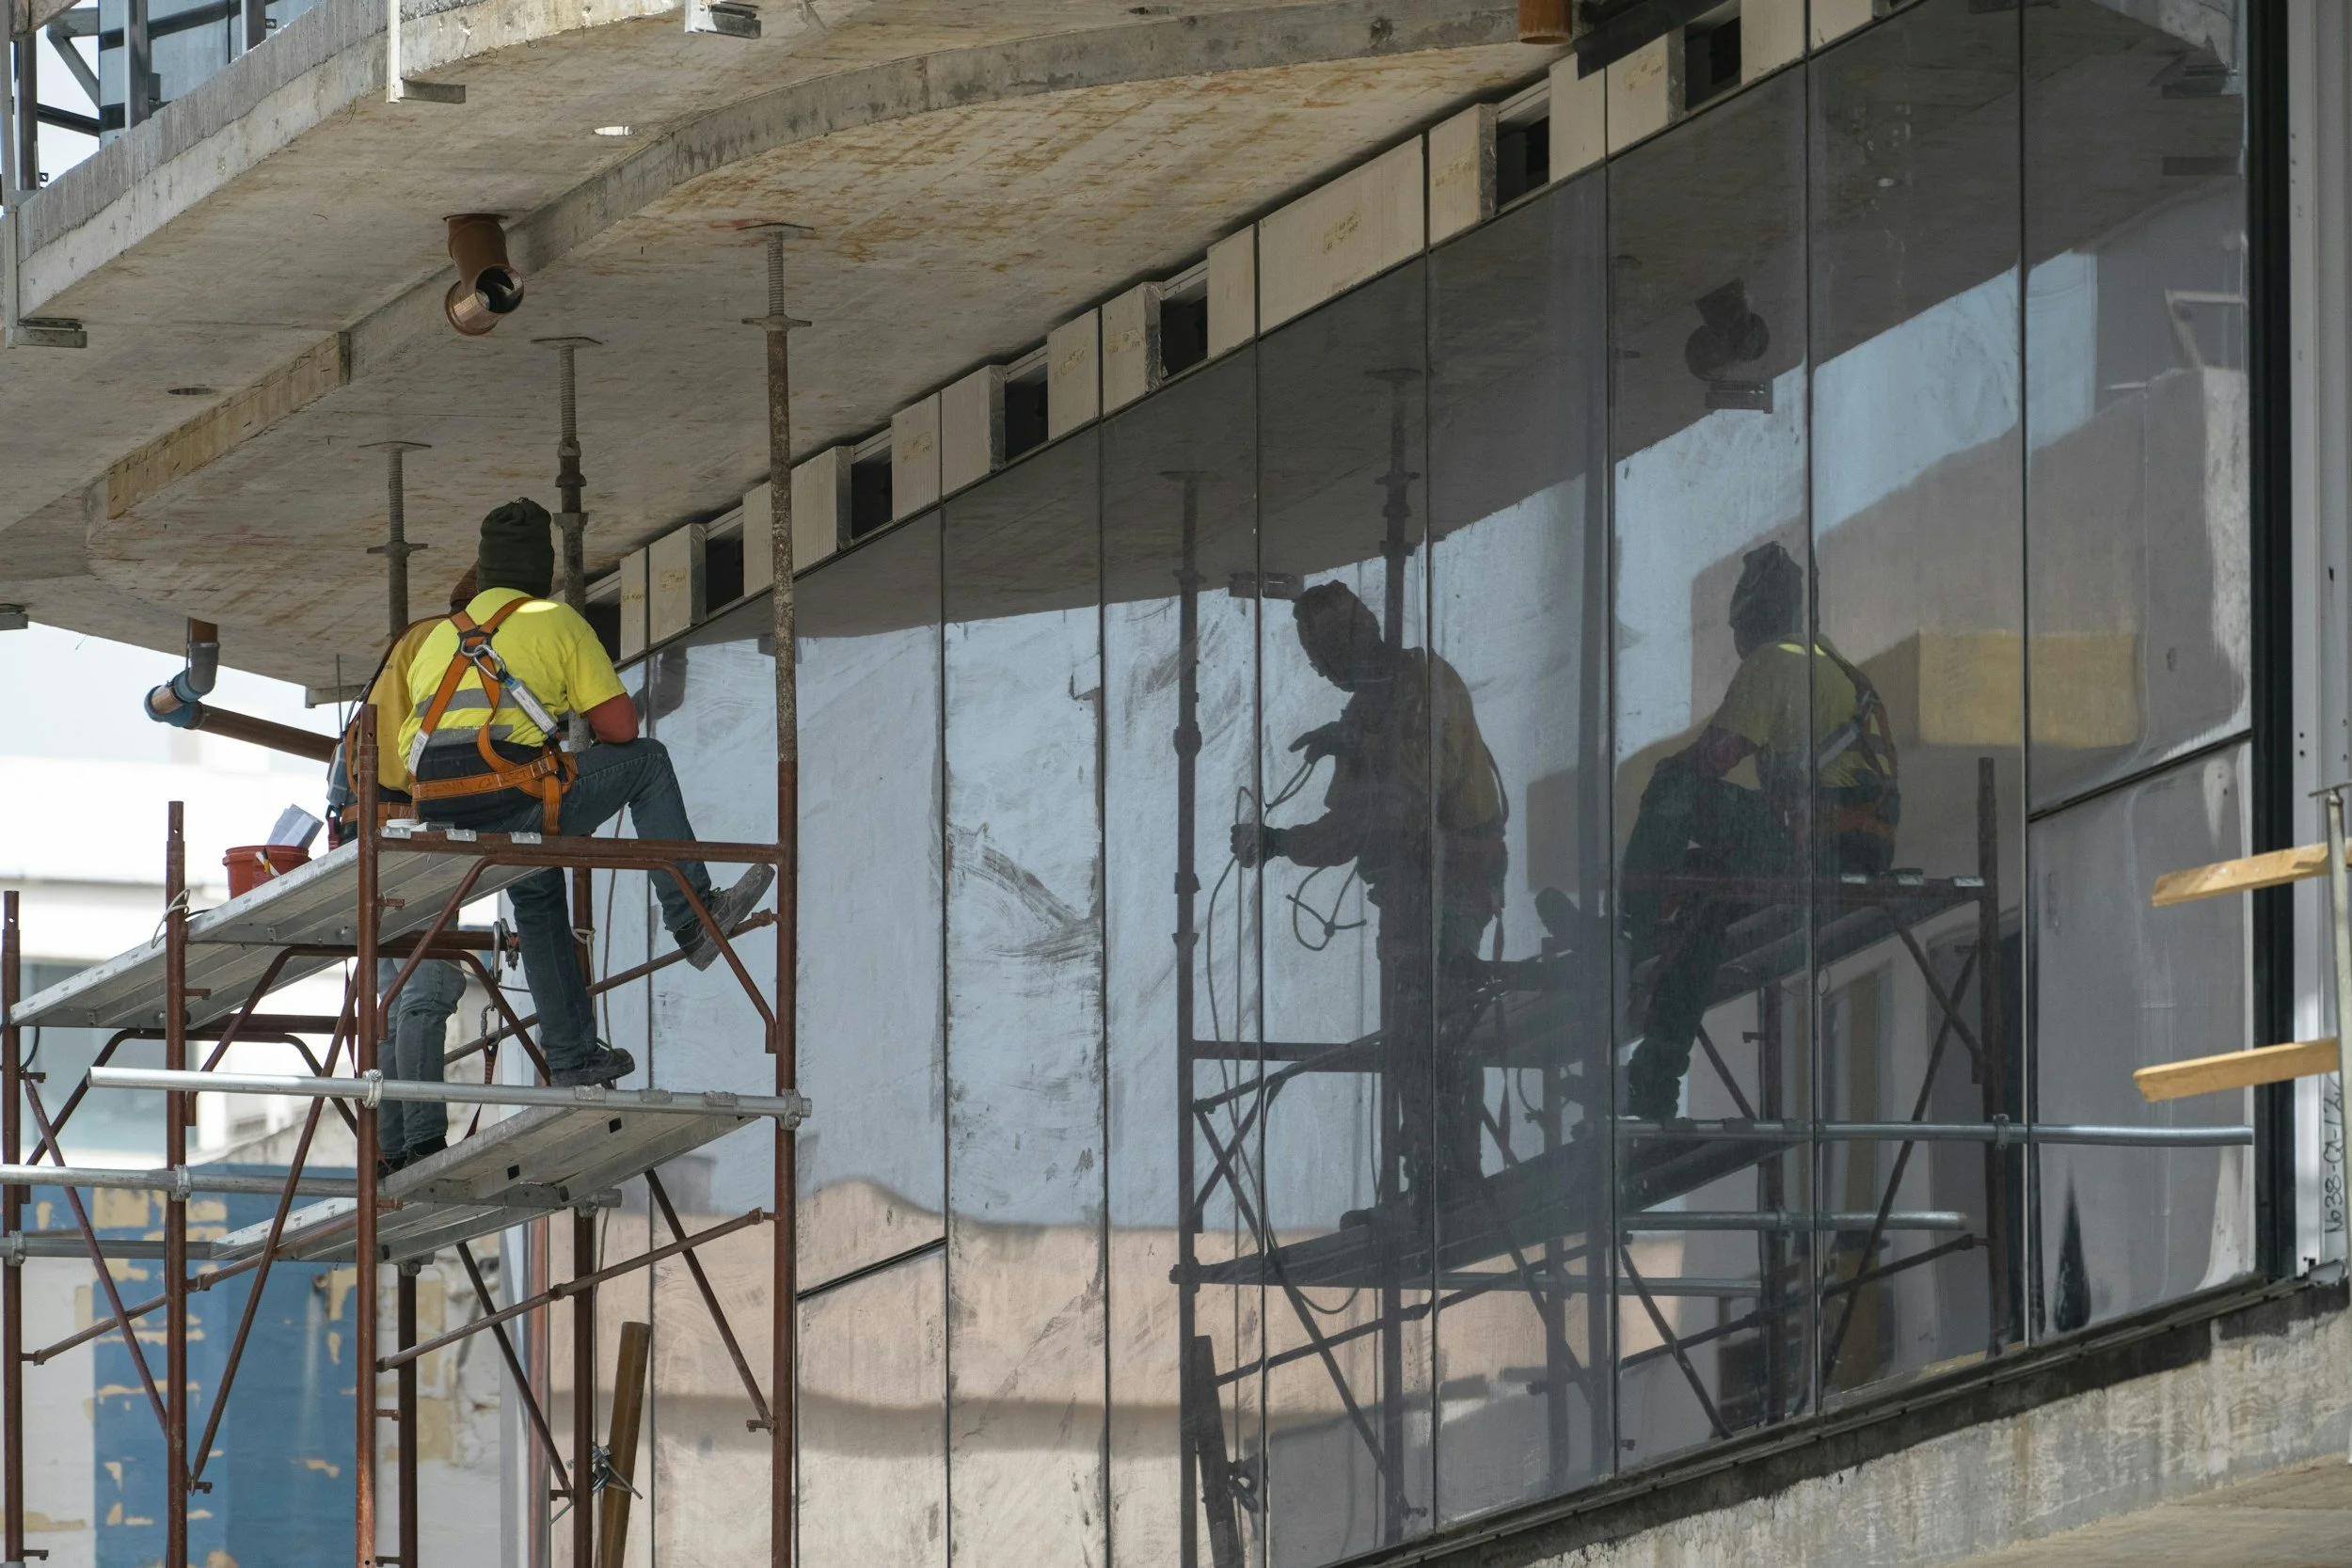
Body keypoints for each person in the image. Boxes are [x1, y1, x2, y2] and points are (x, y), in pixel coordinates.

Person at [399, 499, 774, 1088]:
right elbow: (621, 730)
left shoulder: (434, 642)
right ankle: (695, 918)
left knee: (537, 886)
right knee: (648, 762)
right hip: (510, 798)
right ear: (540, 572)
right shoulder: (553, 619)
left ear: (486, 572)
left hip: (445, 813)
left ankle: (571, 1055)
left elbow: (407, 750)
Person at [1232, 581, 1506, 1206]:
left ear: (1354, 639)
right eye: (1314, 658)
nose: (1321, 669)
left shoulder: (1424, 685)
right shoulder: (1362, 715)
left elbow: (1410, 795)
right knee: (1412, 1034)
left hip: (1456, 882)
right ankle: (1428, 1175)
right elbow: (1347, 829)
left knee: (1438, 1026)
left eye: (1324, 653)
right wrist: (1275, 842)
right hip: (1410, 894)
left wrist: (1358, 746)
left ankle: (1451, 1177)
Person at [1620, 540, 1899, 1123]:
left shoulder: (1775, 661)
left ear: (1748, 621)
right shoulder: (1830, 661)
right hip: (1850, 845)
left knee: (1675, 787)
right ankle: (1655, 1079)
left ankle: (1632, 926)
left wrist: (1664, 788)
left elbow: (1709, 761)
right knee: (1705, 895)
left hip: (1818, 850)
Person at [326, 568, 479, 1172]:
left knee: (391, 997)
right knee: (427, 988)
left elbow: (344, 770)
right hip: (416, 840)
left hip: (372, 845)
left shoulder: (404, 653)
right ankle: (419, 1138)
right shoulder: (457, 653)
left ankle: (392, 1146)